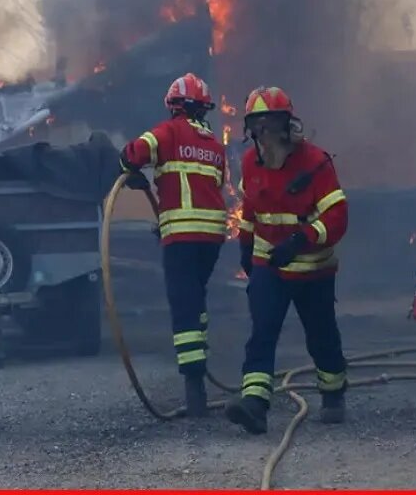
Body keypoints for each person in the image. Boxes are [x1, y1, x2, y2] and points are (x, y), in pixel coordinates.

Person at [225, 86, 349, 435]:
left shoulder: (315, 162)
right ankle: (255, 405)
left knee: (321, 335)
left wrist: (302, 239)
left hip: (313, 269)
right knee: (262, 332)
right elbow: (250, 207)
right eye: (257, 127)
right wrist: (246, 246)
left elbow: (337, 216)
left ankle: (334, 391)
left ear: (286, 125)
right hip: (270, 267)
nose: (263, 135)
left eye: (269, 125)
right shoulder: (251, 161)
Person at [120, 73, 227, 417]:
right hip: (211, 237)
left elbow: (135, 152)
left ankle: (194, 390)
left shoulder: (168, 132)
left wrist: (129, 168)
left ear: (175, 107)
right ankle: (200, 369)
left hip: (182, 237)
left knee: (183, 309)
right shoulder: (214, 144)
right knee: (196, 300)